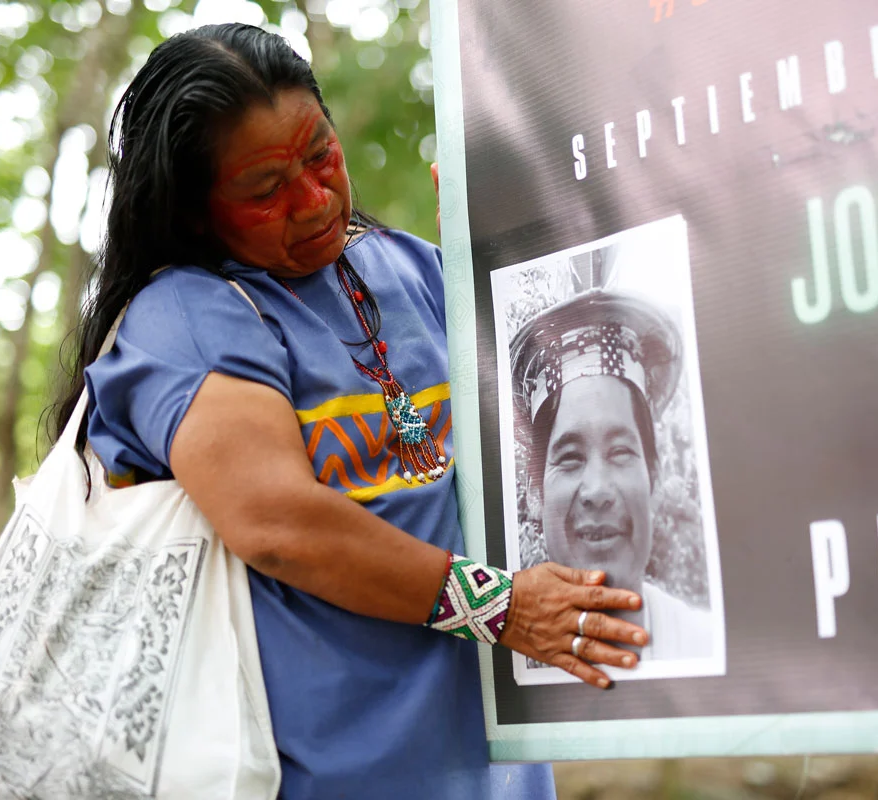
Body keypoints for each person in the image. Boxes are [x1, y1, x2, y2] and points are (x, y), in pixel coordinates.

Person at [51, 23, 651, 799]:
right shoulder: (185, 316)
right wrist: (500, 606)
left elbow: (540, 410)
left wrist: (497, 258)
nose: (313, 200)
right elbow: (278, 525)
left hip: (499, 773)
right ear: (194, 211)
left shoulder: (405, 266)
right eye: (266, 190)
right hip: (330, 775)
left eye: (320, 156)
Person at [510, 290, 714, 661]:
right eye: (570, 458)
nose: (598, 490)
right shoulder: (503, 663)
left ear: (653, 477)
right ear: (535, 491)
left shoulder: (704, 648)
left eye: (620, 453)